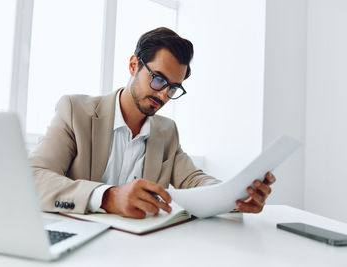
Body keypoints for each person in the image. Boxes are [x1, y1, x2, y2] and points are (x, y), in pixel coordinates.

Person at [30, 27, 276, 219]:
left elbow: (194, 181)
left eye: (173, 88)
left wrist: (236, 196)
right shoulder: (76, 111)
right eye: (158, 79)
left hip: (142, 249)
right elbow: (33, 176)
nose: (163, 95)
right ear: (133, 65)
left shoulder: (167, 132)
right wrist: (107, 197)